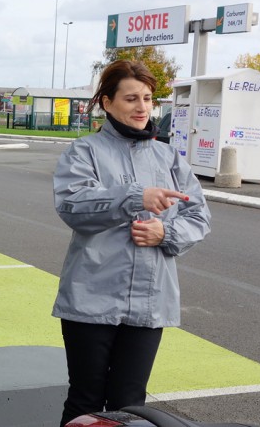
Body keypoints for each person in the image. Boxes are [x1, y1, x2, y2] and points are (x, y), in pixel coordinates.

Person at [52, 60, 211, 426]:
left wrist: (165, 234)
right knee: (85, 401)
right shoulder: (84, 153)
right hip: (91, 300)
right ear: (107, 103)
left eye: (147, 98)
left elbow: (199, 217)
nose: (142, 108)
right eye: (130, 99)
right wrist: (135, 196)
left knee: (131, 404)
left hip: (150, 302)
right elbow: (72, 207)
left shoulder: (169, 157)